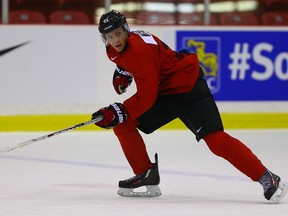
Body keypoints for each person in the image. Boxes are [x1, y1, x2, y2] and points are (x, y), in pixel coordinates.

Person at [92, 9, 287, 202]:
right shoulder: (115, 48)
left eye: (118, 33)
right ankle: (145, 173)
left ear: (126, 30)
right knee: (123, 124)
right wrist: (124, 72)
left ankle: (266, 176)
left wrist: (121, 110)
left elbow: (147, 95)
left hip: (188, 88)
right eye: (109, 36)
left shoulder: (139, 49)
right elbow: (150, 60)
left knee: (216, 141)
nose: (115, 39)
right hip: (165, 92)